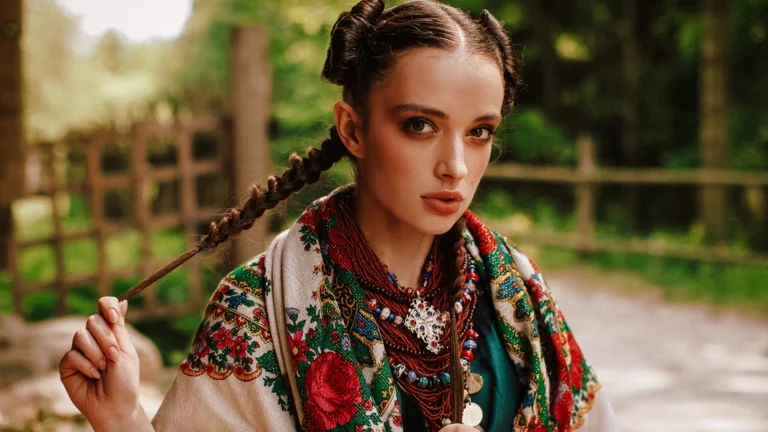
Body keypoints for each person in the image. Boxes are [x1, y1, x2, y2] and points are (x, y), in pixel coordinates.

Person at [58, 0, 618, 430]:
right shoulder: (255, 313)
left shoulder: (513, 289)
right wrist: (125, 419)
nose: (455, 166)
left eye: (479, 133)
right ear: (354, 129)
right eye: (420, 126)